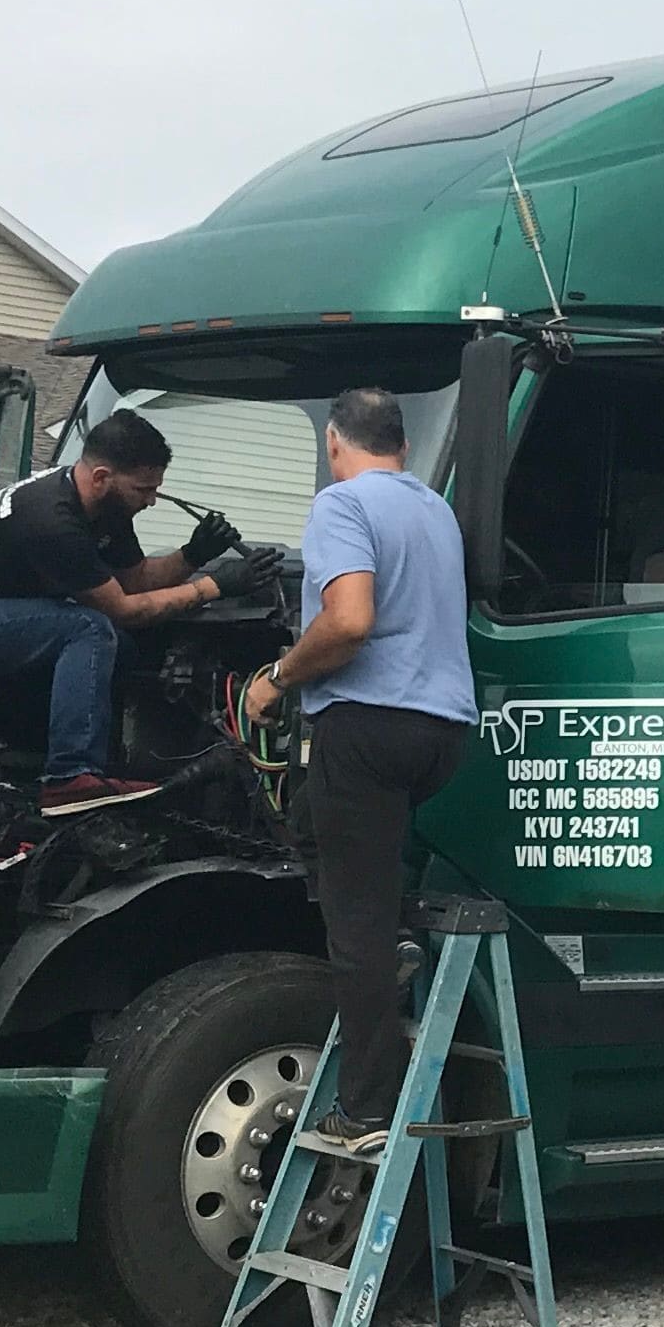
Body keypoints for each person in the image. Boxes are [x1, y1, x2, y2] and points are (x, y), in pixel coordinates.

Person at [244, 387, 476, 1130]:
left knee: (355, 927)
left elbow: (347, 623)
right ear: (402, 448)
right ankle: (401, 936)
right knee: (317, 824)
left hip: (369, 725)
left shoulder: (342, 505)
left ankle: (368, 1106)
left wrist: (276, 679)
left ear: (334, 444)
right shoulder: (435, 508)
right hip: (442, 733)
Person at [0, 406, 240, 817]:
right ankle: (69, 777)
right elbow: (124, 610)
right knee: (89, 629)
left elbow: (135, 582)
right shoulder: (52, 520)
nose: (151, 501)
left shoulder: (103, 507)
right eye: (143, 490)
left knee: (122, 649)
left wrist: (195, 553)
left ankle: (53, 745)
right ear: (102, 478)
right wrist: (214, 586)